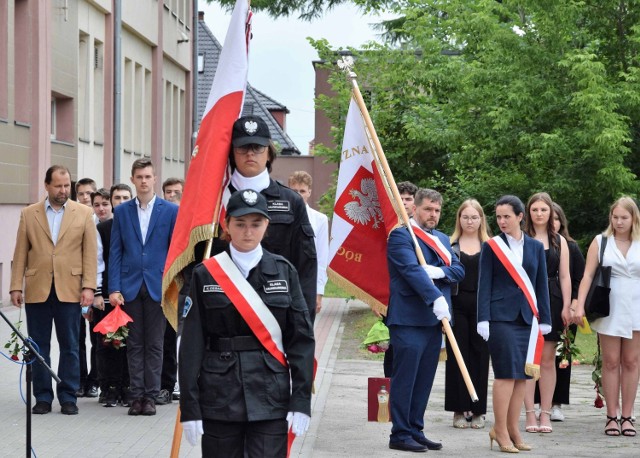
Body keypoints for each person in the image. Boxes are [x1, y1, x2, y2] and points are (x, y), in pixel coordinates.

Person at [179, 189, 315, 457]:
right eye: (240, 224)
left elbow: (301, 341)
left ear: (267, 226)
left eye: (256, 224)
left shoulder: (284, 271)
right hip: (219, 393)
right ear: (227, 225)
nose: (248, 231)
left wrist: (301, 401)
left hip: (269, 392)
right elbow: (191, 344)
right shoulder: (205, 274)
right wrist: (190, 406)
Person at [9, 165, 97, 415]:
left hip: (70, 288)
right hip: (38, 289)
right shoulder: (29, 214)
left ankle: (68, 396)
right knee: (38, 346)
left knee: (70, 345)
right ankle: (43, 397)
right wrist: (16, 286)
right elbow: (20, 252)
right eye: (58, 185)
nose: (63, 190)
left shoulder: (84, 213)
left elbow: (90, 253)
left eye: (67, 185)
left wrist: (89, 286)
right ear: (46, 185)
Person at [386, 188, 464, 452]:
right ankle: (399, 433)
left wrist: (439, 271)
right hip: (409, 318)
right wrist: (435, 297)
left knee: (424, 378)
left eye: (437, 210)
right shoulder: (401, 236)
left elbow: (458, 269)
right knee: (406, 378)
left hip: (434, 322)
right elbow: (410, 270)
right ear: (415, 209)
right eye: (428, 209)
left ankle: (415, 428)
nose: (433, 215)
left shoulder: (442, 238)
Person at [477, 195, 551, 452]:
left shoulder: (534, 247)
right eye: (498, 217)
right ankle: (500, 431)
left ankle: (512, 429)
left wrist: (546, 320)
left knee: (522, 377)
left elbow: (541, 284)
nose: (502, 221)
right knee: (506, 375)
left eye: (507, 216)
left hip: (527, 320)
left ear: (521, 217)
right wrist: (483, 317)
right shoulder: (492, 246)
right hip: (500, 318)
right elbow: (483, 283)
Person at [225, 115, 317, 321]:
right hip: (224, 312)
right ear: (232, 152)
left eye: (257, 147)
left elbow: (305, 267)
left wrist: (303, 326)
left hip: (275, 313)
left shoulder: (291, 201)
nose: (250, 153)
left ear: (268, 153)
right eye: (243, 147)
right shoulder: (215, 200)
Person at [109, 159, 179, 416]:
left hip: (158, 286)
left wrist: (173, 285)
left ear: (154, 178)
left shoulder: (169, 210)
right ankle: (135, 395)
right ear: (133, 179)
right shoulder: (123, 211)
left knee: (155, 344)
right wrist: (114, 287)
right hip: (129, 285)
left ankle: (150, 396)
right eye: (139, 177)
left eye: (148, 176)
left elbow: (175, 251)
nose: (144, 181)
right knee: (135, 344)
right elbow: (116, 251)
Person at [574, 196, 640, 437]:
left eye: (624, 217)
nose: (619, 222)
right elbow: (588, 276)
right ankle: (611, 415)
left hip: (637, 306)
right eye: (615, 217)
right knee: (611, 362)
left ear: (633, 218)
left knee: (632, 362)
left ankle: (628, 415)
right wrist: (579, 305)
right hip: (609, 306)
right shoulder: (600, 241)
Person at [523, 192, 571, 433]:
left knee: (548, 360)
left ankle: (546, 413)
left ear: (551, 212)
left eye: (543, 210)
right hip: (525, 300)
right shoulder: (520, 237)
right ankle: (529, 414)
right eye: (535, 210)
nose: (539, 214)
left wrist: (566, 305)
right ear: (528, 213)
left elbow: (565, 276)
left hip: (551, 300)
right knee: (529, 360)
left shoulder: (559, 241)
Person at [536, 202, 585, 422]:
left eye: (556, 218)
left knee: (560, 358)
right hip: (539, 304)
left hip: (565, 306)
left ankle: (557, 403)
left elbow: (578, 279)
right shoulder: (532, 242)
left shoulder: (570, 246)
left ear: (561, 221)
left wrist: (574, 303)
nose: (551, 222)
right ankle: (538, 402)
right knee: (539, 358)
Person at [445, 199, 491, 429]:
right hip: (456, 306)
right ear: (459, 219)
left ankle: (478, 410)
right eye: (465, 217)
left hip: (483, 308)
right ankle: (458, 409)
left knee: (480, 357)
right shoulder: (449, 244)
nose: (470, 221)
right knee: (457, 357)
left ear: (481, 219)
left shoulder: (490, 245)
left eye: (474, 217)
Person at [94, 184, 133, 407]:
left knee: (127, 343)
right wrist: (98, 292)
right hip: (107, 295)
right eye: (116, 198)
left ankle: (126, 387)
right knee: (107, 343)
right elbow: (97, 262)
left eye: (125, 197)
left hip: (131, 295)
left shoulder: (135, 226)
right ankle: (108, 387)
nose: (120, 202)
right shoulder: (103, 229)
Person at [379, 181, 418, 378]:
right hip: (390, 296)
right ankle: (390, 393)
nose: (404, 203)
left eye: (408, 199)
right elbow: (375, 264)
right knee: (392, 348)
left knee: (412, 348)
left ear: (415, 203)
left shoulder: (421, 230)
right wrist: (373, 298)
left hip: (416, 297)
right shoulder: (385, 228)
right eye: (400, 198)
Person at [157, 177, 185, 405]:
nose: (172, 195)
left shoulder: (190, 221)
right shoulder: (161, 219)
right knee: (166, 339)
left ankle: (184, 383)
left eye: (177, 192)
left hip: (187, 287)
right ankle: (166, 385)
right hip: (165, 287)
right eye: (168, 192)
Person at [288, 170, 328, 315]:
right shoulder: (279, 217)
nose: (298, 194)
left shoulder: (320, 219)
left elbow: (322, 258)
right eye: (294, 191)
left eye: (302, 191)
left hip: (308, 280)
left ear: (309, 192)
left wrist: (319, 292)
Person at [76, 177, 100, 398]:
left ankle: (94, 380)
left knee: (96, 339)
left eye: (89, 194)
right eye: (81, 194)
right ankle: (79, 380)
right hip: (74, 289)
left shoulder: (100, 222)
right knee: (76, 338)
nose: (85, 197)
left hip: (95, 289)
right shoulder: (72, 221)